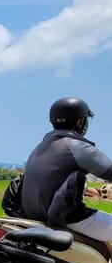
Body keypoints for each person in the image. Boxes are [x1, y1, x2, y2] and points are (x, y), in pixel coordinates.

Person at [21, 97, 112, 242]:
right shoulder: (76, 146)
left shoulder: (41, 147)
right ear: (80, 122)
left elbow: (55, 180)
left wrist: (93, 192)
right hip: (66, 217)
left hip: (34, 215)